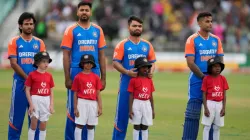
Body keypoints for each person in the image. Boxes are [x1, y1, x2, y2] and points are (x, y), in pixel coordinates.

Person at [60, 1, 107, 140]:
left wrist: (103, 78)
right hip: (76, 73)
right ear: (77, 12)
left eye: (87, 10)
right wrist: (67, 77)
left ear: (90, 12)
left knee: (92, 106)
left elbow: (102, 55)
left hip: (94, 73)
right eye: (82, 10)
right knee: (74, 108)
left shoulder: (98, 30)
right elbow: (66, 55)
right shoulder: (71, 30)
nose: (84, 12)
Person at [112, 15, 156, 140]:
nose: (137, 28)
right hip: (126, 85)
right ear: (128, 27)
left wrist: (151, 72)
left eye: (140, 26)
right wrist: (127, 72)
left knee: (142, 121)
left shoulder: (147, 45)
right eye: (134, 26)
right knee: (122, 119)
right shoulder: (122, 45)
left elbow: (152, 62)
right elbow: (115, 62)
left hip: (143, 88)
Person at [182, 12, 224, 140]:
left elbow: (221, 61)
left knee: (212, 114)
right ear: (199, 23)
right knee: (193, 113)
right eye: (207, 21)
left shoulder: (216, 40)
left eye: (211, 21)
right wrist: (204, 77)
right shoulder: (192, 39)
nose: (210, 23)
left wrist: (214, 77)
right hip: (197, 79)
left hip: (213, 80)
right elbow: (190, 62)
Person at [8, 12, 46, 140]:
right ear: (20, 26)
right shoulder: (14, 41)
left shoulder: (39, 43)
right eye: (26, 24)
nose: (29, 26)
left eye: (31, 24)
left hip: (35, 87)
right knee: (16, 121)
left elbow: (42, 64)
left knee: (35, 120)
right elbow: (13, 63)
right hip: (20, 84)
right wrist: (27, 79)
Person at [71, 54, 103, 140]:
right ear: (82, 64)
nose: (88, 64)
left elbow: (98, 93)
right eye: (86, 63)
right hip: (82, 102)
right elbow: (75, 93)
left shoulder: (96, 77)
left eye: (90, 63)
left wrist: (100, 107)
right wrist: (75, 108)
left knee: (91, 126)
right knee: (79, 124)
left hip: (93, 103)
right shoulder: (78, 77)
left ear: (93, 65)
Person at [25, 52, 55, 140]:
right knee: (33, 123)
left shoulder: (49, 76)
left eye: (47, 62)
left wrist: (51, 104)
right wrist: (31, 104)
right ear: (37, 63)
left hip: (46, 100)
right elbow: (27, 90)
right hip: (35, 99)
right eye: (44, 62)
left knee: (43, 124)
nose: (46, 64)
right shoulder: (32, 75)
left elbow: (51, 91)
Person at [201, 56, 229, 140]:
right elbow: (204, 94)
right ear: (210, 68)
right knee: (207, 126)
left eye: (219, 66)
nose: (217, 68)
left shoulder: (223, 78)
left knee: (217, 127)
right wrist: (205, 108)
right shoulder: (206, 79)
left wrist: (223, 108)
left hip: (219, 104)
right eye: (215, 66)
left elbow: (224, 95)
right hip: (209, 103)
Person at [128, 57, 155, 140]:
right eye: (143, 67)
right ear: (138, 68)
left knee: (145, 126)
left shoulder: (149, 80)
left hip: (146, 104)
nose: (146, 69)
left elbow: (151, 96)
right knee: (136, 125)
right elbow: (131, 95)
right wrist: (130, 110)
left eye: (147, 67)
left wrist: (153, 110)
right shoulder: (133, 80)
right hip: (137, 103)